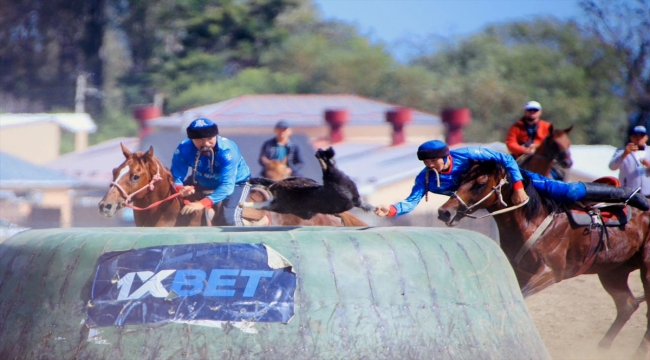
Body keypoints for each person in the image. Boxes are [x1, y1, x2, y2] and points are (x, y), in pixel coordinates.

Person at [374, 140, 649, 218]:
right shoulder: (426, 179)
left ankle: (625, 194)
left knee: (566, 192)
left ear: (445, 155)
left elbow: (505, 159)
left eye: (433, 160)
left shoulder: (467, 154)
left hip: (513, 179)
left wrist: (518, 189)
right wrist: (393, 209)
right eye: (425, 162)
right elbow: (411, 201)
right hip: (486, 200)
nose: (430, 165)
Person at [171, 118, 252, 226]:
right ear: (191, 139)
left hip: (236, 183)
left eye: (210, 138)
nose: (206, 143)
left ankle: (245, 241)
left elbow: (227, 185)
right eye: (199, 139)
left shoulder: (227, 151)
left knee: (229, 218)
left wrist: (202, 203)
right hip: (201, 181)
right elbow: (176, 176)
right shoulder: (183, 148)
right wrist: (180, 188)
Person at [505, 101, 564, 180]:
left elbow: (553, 143)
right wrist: (524, 150)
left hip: (543, 157)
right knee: (506, 172)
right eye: (529, 110)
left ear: (540, 112)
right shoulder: (516, 127)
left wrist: (537, 147)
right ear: (525, 111)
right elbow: (510, 143)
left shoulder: (547, 126)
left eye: (535, 110)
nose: (532, 112)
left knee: (560, 172)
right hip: (521, 156)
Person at [609, 125, 650, 198]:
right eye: (636, 136)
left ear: (646, 137)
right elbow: (612, 167)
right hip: (629, 193)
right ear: (631, 137)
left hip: (647, 193)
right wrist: (624, 154)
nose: (638, 138)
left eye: (641, 136)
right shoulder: (621, 151)